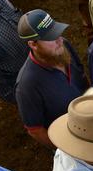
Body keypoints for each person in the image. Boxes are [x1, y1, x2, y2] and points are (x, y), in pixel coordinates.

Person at [15, 9, 89, 148]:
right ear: (33, 44)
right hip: (71, 138)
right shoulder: (27, 86)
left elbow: (82, 74)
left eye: (58, 33)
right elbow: (35, 130)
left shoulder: (63, 45)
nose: (60, 40)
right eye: (51, 38)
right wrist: (66, 149)